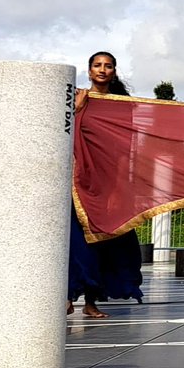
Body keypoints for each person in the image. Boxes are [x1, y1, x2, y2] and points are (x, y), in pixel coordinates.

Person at [68, 51, 144, 318]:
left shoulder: (121, 106)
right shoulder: (77, 99)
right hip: (79, 182)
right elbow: (61, 134)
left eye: (108, 66)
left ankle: (91, 302)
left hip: (109, 183)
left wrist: (120, 188)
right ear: (89, 71)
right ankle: (68, 296)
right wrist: (77, 110)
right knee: (76, 242)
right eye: (97, 65)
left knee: (105, 243)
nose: (102, 70)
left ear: (114, 71)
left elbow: (125, 150)